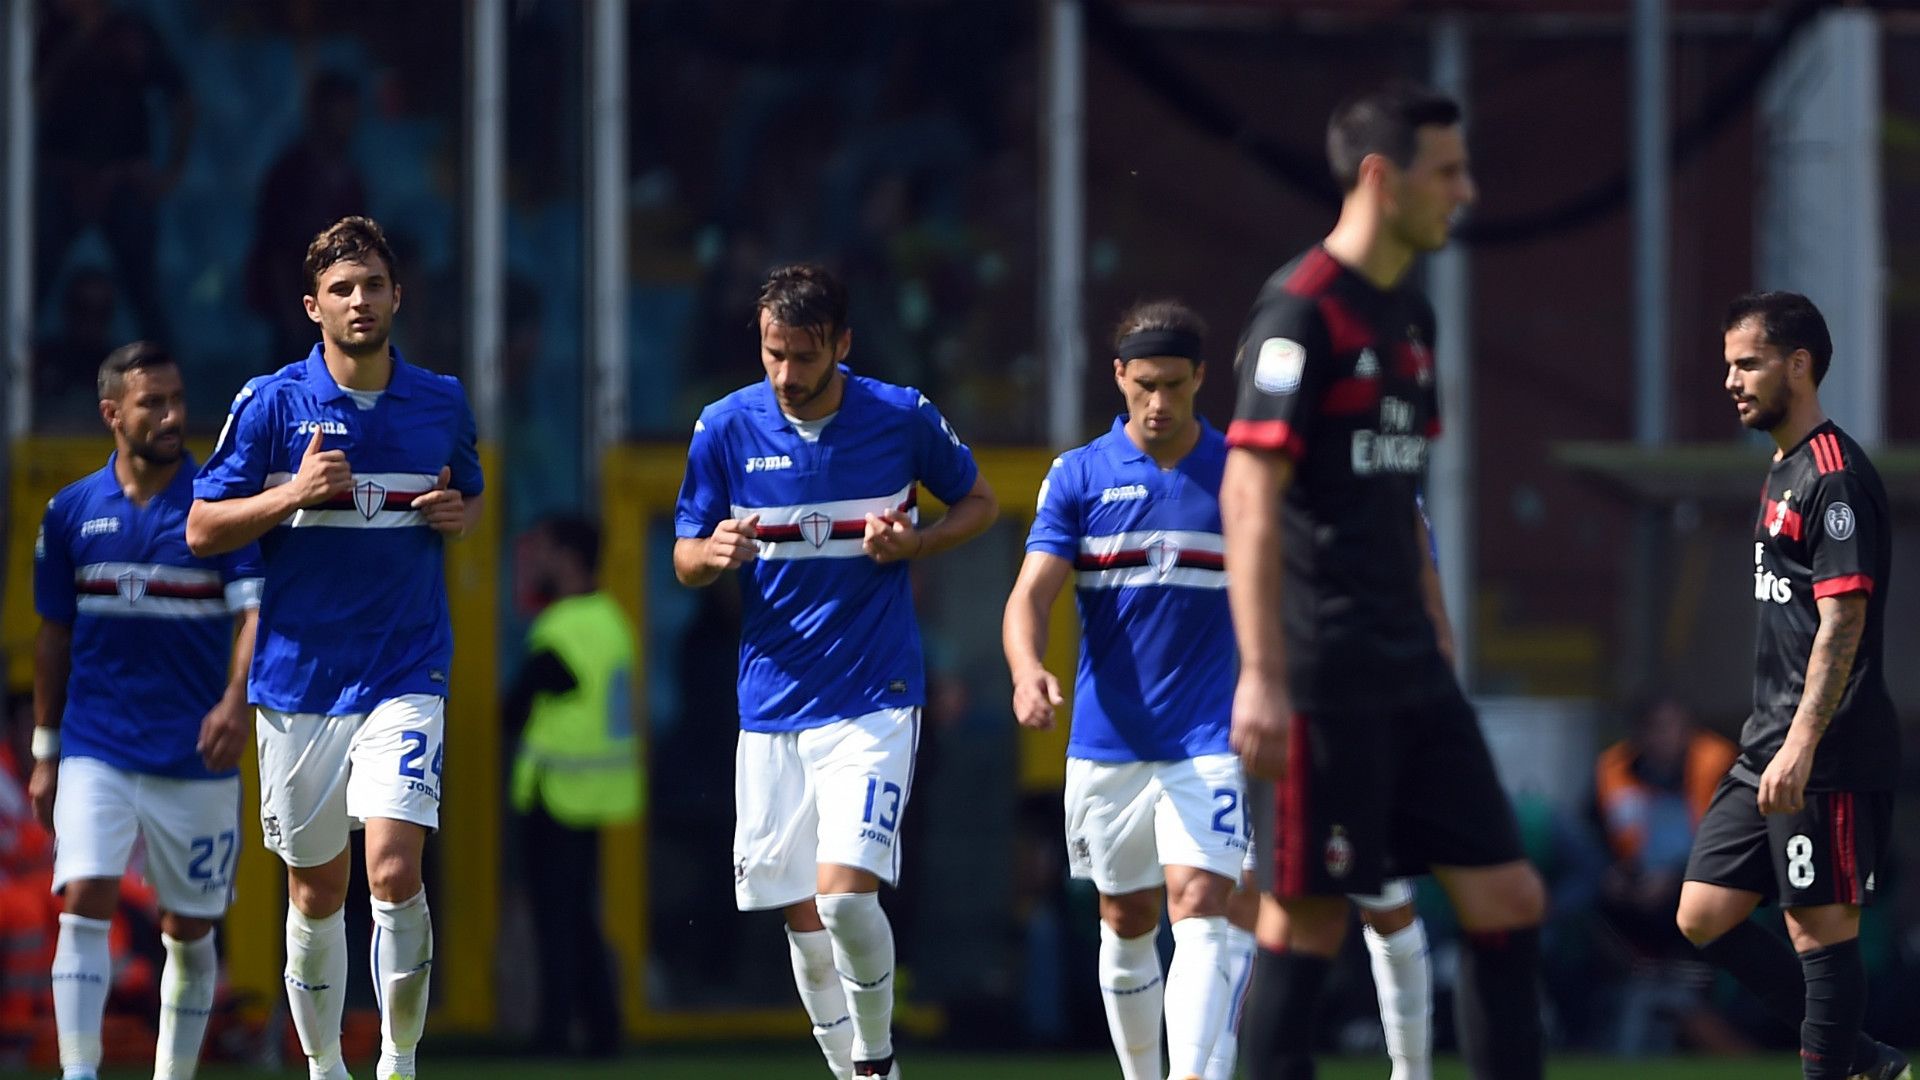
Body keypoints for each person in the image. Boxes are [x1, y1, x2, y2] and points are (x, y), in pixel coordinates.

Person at [1002, 300, 1433, 1080]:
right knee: (1124, 917)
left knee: (1202, 902)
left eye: (1174, 384)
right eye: (1145, 385)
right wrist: (1027, 668)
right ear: (1119, 377)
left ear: (1202, 378)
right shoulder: (1078, 475)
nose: (1158, 402)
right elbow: (1030, 595)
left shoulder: (1243, 473)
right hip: (1107, 740)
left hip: (1213, 736)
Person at [1219, 81, 1547, 1080]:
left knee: (1509, 900)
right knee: (1307, 921)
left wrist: (1436, 624)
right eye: (1447, 172)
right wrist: (1263, 675)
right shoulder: (1299, 312)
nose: (1467, 192)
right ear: (1380, 177)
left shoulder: (1412, 317)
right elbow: (1248, 492)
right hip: (1328, 672)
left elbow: (1398, 497)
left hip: (1413, 668)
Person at [672, 263, 998, 1080]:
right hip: (772, 705)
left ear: (843, 345)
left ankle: (877, 1059)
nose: (786, 373)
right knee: (803, 920)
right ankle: (850, 1073)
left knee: (847, 897)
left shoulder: (901, 416)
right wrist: (710, 554)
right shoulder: (724, 427)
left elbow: (980, 502)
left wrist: (918, 542)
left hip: (874, 696)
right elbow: (684, 554)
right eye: (773, 353)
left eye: (804, 356)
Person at [186, 216, 484, 1080]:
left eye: (374, 286)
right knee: (317, 891)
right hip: (299, 680)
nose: (361, 301)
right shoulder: (272, 403)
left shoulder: (441, 401)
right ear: (313, 306)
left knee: (392, 871)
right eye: (342, 289)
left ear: (398, 296)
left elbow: (466, 489)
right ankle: (324, 1067)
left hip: (405, 668)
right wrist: (292, 495)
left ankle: (399, 1061)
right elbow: (201, 528)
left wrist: (457, 513)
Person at [1674, 292, 1909, 1080]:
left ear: (1799, 365)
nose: (1731, 381)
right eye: (1728, 366)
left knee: (1818, 932)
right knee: (1704, 914)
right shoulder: (1784, 467)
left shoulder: (1834, 477)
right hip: (1766, 744)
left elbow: (1844, 622)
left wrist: (1803, 744)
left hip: (1827, 749)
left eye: (1748, 363)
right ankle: (1867, 1061)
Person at [30, 342, 263, 1080]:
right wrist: (44, 751)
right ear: (112, 414)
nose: (171, 416)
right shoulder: (69, 512)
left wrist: (235, 703)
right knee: (84, 897)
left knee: (189, 928)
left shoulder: (218, 508)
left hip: (193, 755)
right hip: (95, 746)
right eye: (152, 403)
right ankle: (79, 1072)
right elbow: (53, 635)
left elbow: (254, 617)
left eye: (177, 400)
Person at [507, 514, 642, 1058]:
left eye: (544, 550)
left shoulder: (562, 627)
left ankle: (556, 1032)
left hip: (558, 790)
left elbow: (515, 707)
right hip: (598, 790)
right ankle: (602, 1028)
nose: (534, 561)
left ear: (567, 558)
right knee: (580, 915)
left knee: (557, 918)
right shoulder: (612, 620)